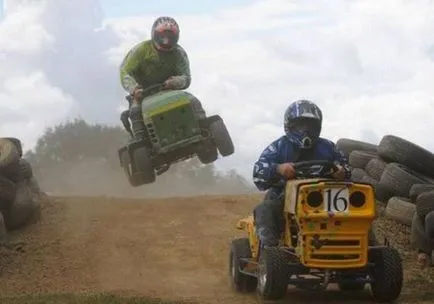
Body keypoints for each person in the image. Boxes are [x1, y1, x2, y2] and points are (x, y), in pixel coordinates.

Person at [252, 99, 352, 247]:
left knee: (358, 208)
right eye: (300, 126)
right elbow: (258, 171)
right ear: (290, 126)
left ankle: (366, 245)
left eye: (310, 126)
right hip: (285, 196)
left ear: (318, 127)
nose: (305, 131)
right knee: (264, 210)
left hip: (328, 198)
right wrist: (278, 168)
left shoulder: (328, 147)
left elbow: (347, 167)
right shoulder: (279, 147)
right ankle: (269, 252)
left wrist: (342, 172)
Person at [118, 16, 197, 138]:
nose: (166, 39)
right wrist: (134, 88)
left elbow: (186, 77)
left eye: (170, 36)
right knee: (135, 113)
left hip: (168, 89)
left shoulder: (179, 53)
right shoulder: (141, 50)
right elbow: (125, 71)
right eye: (163, 35)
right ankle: (142, 141)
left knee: (192, 101)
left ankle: (201, 128)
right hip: (141, 93)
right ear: (155, 34)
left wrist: (176, 81)